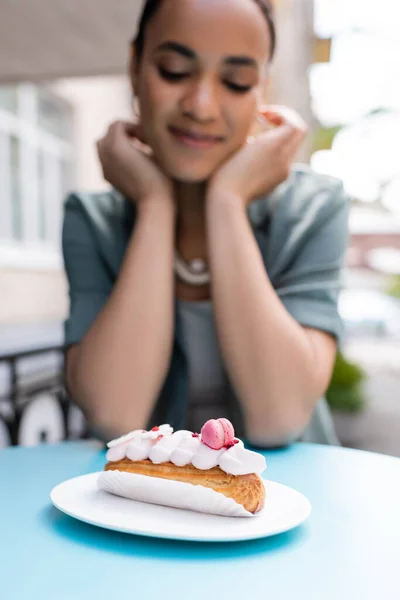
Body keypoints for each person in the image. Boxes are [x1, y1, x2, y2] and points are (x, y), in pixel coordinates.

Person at [62, 0, 349, 446]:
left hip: (285, 499)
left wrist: (227, 200)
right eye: (175, 70)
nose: (201, 105)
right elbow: (114, 416)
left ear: (262, 91)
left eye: (237, 81)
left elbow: (281, 418)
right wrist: (156, 205)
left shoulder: (314, 207)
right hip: (146, 504)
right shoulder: (93, 219)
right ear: (135, 66)